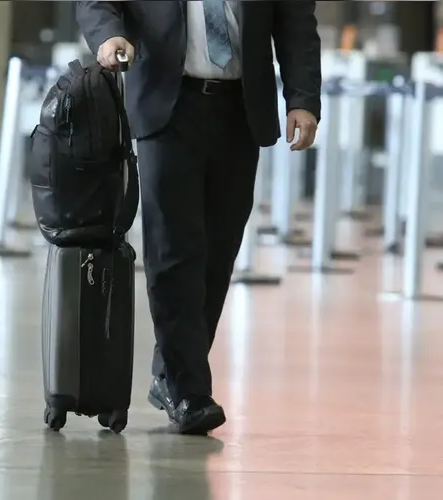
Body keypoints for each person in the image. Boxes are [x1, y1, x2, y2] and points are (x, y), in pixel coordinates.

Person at [76, 1, 321, 435]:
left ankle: (168, 372)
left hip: (240, 110)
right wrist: (108, 35)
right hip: (168, 105)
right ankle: (189, 392)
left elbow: (295, 19)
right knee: (174, 250)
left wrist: (302, 98)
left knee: (218, 251)